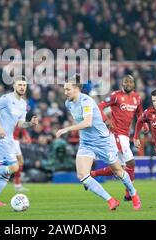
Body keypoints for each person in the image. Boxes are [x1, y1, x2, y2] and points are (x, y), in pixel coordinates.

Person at [56, 75, 141, 211]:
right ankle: (111, 201)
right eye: (64, 89)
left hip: (103, 141)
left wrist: (66, 129)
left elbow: (87, 122)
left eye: (68, 89)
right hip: (86, 143)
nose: (65, 92)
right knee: (82, 175)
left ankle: (133, 193)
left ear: (77, 89)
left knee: (118, 171)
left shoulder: (87, 101)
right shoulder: (68, 103)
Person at [0, 76, 38, 206]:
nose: (22, 87)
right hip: (0, 138)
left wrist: (30, 124)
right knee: (14, 167)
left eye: (24, 85)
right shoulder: (6, 99)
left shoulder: (23, 104)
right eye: (20, 85)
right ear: (14, 86)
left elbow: (20, 124)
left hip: (9, 139)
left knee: (8, 172)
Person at [91, 74, 149, 201]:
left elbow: (140, 113)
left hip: (125, 135)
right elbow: (99, 107)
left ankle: (92, 174)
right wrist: (106, 120)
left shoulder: (137, 98)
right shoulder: (115, 96)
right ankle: (130, 194)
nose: (128, 84)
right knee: (131, 163)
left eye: (130, 82)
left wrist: (144, 124)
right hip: (116, 134)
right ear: (122, 84)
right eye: (126, 82)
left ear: (134, 84)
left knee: (119, 168)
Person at [0, 125, 31, 192]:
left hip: (13, 140)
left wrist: (25, 135)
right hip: (10, 140)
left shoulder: (17, 118)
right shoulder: (9, 117)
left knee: (17, 162)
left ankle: (17, 185)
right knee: (11, 162)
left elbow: (20, 125)